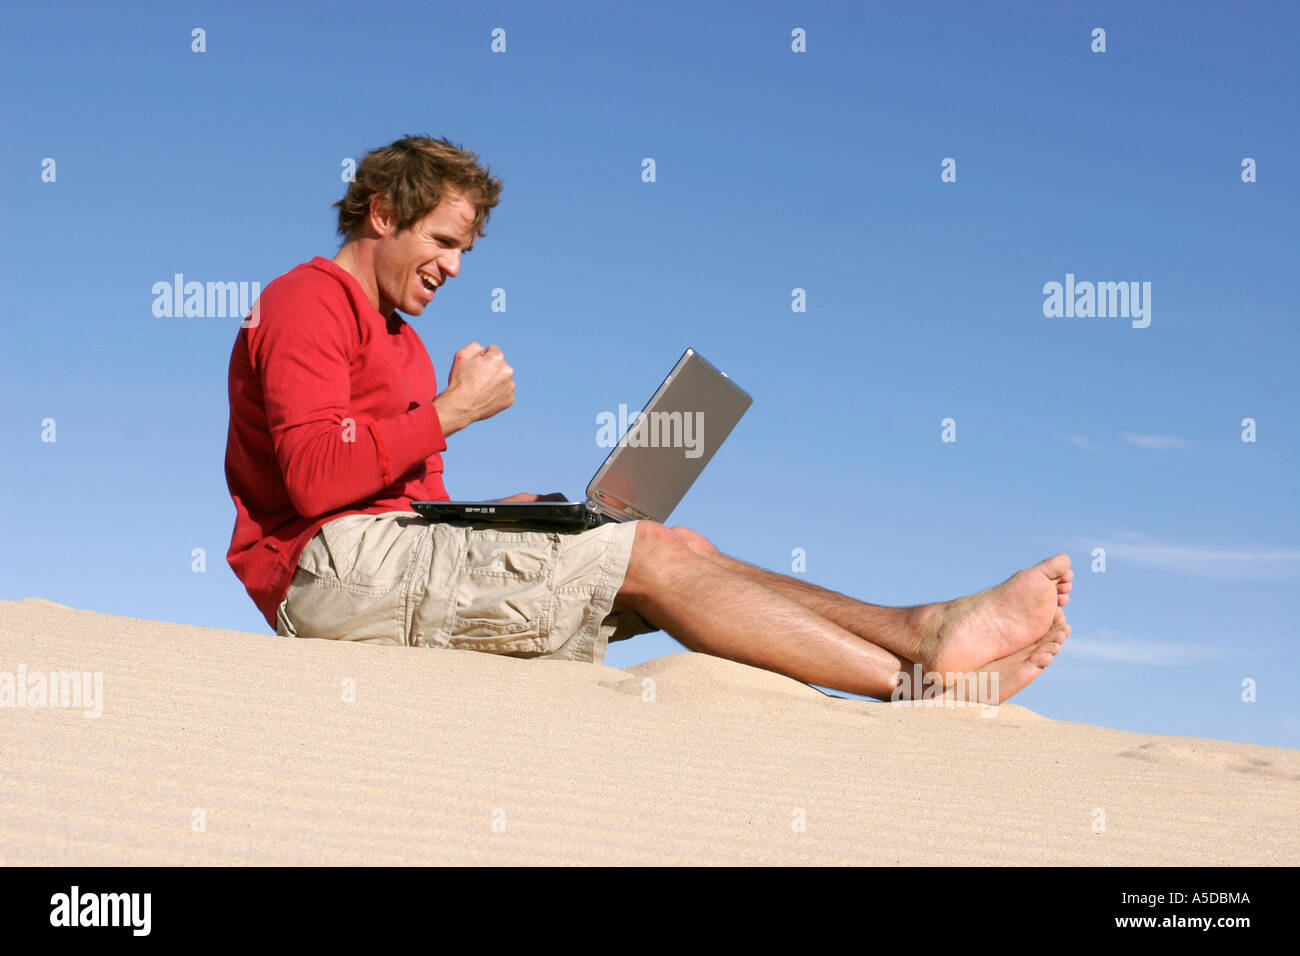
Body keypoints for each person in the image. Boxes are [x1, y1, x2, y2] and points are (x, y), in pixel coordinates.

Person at [224, 135, 1072, 705]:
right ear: (381, 214)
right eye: (443, 242)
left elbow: (403, 500)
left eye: (465, 253)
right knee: (655, 556)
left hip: (385, 558)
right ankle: (917, 692)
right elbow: (314, 480)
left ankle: (922, 632)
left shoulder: (401, 341)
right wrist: (451, 412)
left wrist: (501, 516)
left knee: (682, 545)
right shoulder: (307, 300)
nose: (452, 267)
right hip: (321, 576)